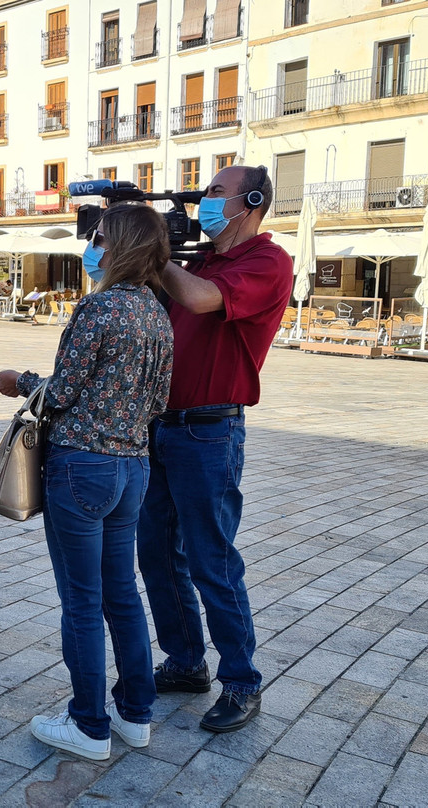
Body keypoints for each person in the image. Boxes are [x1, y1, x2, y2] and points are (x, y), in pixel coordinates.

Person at [0, 202, 174, 761]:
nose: (91, 247)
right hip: (132, 469)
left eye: (97, 239)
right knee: (123, 594)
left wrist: (20, 381)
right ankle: (135, 715)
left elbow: (61, 393)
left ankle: (88, 724)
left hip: (81, 470)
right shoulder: (157, 315)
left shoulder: (98, 309)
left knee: (83, 602)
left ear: (114, 247)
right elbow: (159, 402)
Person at [137, 164, 292, 733]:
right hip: (158, 424)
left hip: (209, 431)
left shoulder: (266, 262)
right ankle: (184, 661)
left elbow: (203, 301)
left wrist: (157, 254)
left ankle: (243, 682)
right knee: (155, 553)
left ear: (250, 202)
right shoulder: (196, 260)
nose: (204, 202)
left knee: (211, 559)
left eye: (216, 194)